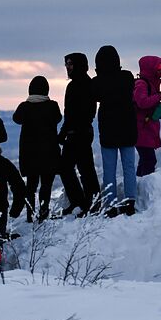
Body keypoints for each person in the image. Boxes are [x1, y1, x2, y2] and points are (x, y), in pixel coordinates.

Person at [91, 46, 138, 217]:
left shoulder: (97, 82)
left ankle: (110, 206)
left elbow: (94, 95)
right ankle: (130, 202)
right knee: (129, 167)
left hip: (109, 130)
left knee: (109, 170)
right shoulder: (127, 77)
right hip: (128, 129)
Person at [12, 76, 62, 222]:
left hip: (30, 153)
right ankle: (43, 212)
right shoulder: (52, 106)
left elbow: (16, 119)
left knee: (31, 186)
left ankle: (30, 215)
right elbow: (58, 119)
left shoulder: (24, 106)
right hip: (49, 152)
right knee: (46, 185)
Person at [59, 52, 100, 215]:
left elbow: (75, 113)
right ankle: (88, 202)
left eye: (70, 63)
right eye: (66, 64)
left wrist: (65, 131)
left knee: (70, 167)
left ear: (79, 64)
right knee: (83, 167)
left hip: (78, 132)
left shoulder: (79, 84)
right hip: (80, 131)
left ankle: (85, 202)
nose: (67, 67)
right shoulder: (83, 83)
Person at [134, 56, 161, 177]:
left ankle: (139, 185)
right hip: (142, 129)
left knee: (145, 160)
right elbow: (142, 102)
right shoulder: (142, 84)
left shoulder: (150, 84)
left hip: (145, 128)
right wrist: (158, 97)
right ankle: (145, 187)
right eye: (158, 68)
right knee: (149, 160)